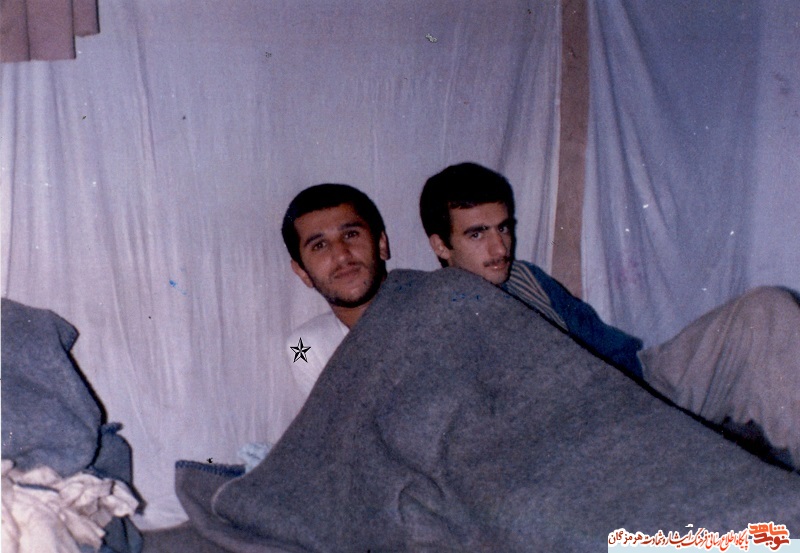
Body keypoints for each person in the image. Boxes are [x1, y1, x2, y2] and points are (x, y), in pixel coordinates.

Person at [419, 161, 800, 469]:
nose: (500, 247)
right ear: (441, 245)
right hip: (593, 426)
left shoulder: (525, 276)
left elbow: (610, 346)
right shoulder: (441, 314)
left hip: (640, 386)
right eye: (477, 234)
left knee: (765, 309)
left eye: (503, 228)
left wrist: (644, 393)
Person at [282, 183, 390, 402]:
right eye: (319, 245)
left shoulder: (440, 307)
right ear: (302, 272)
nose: (341, 255)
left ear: (381, 244)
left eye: (351, 234)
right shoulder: (306, 346)